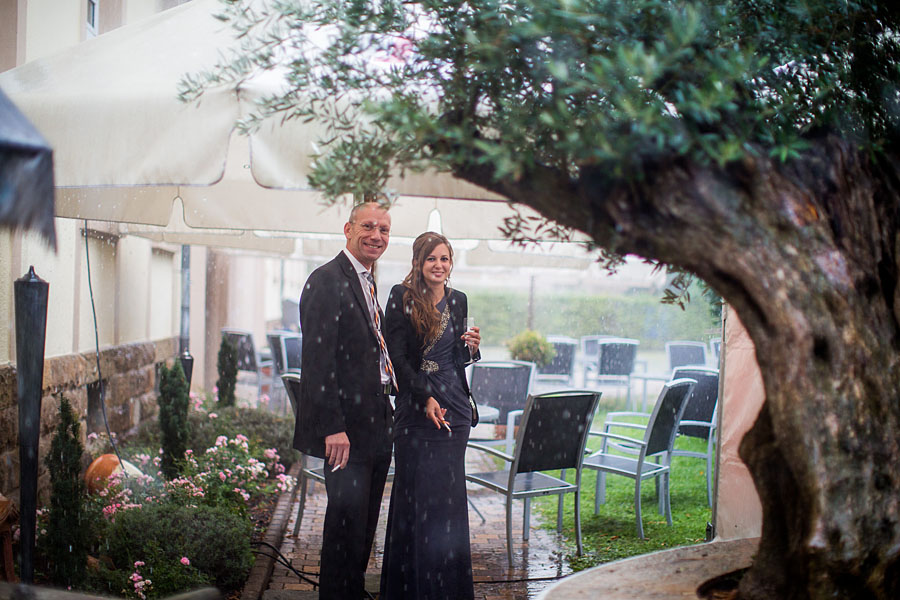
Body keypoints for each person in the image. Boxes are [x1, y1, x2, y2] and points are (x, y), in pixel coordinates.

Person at [293, 201, 395, 600]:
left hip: (376, 422)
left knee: (364, 524)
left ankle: (352, 591)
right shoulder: (326, 280)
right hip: (346, 430)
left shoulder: (367, 281)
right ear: (348, 228)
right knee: (344, 526)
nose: (376, 236)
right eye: (368, 226)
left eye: (384, 230)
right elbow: (317, 362)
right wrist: (333, 427)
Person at [380, 232, 482, 600]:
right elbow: (398, 359)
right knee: (416, 498)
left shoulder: (459, 300)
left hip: (455, 408)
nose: (439, 265)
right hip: (415, 410)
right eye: (431, 259)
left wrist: (472, 348)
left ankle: (448, 591)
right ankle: (412, 590)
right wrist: (423, 397)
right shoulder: (400, 297)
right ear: (418, 262)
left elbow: (458, 360)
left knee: (449, 500)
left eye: (445, 259)